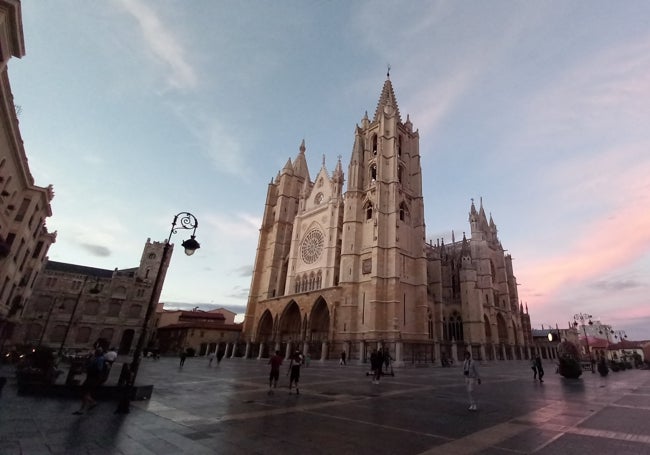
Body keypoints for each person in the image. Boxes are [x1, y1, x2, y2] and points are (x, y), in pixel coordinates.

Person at [73, 348, 105, 415]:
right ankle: (92, 403)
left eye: (96, 352)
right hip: (93, 378)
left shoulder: (98, 360)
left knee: (84, 393)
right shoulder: (99, 359)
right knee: (86, 393)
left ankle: (83, 409)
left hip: (92, 378)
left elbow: (96, 368)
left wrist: (89, 364)